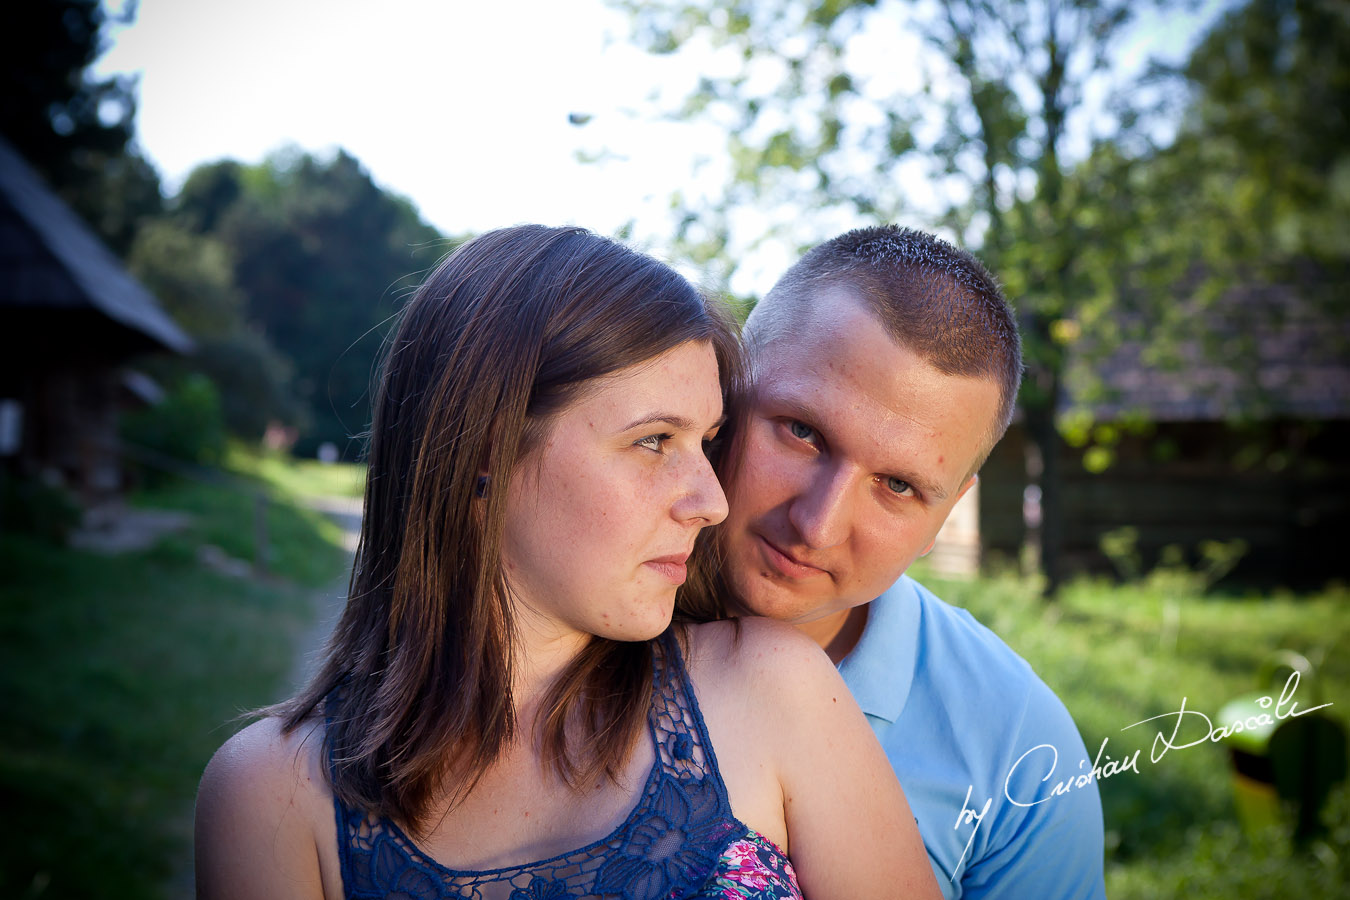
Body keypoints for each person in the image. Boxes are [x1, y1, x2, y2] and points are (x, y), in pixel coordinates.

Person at [194, 225, 941, 900]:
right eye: (654, 442)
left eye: (708, 443)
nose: (710, 501)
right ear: (485, 448)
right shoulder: (274, 798)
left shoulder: (770, 690)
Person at [710, 226, 1106, 899]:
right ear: (723, 393)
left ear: (944, 518)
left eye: (898, 487)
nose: (818, 524)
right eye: (803, 433)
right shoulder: (565, 612)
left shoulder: (1019, 748)